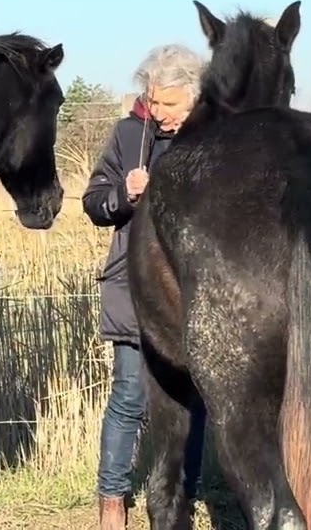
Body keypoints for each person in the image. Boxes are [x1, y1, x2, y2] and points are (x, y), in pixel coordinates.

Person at [82, 43, 208, 529]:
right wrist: (123, 195)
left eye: (169, 104)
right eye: (153, 102)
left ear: (194, 99)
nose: (159, 113)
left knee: (194, 397)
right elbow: (94, 203)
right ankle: (112, 498)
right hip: (133, 289)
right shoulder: (127, 134)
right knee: (130, 394)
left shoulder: (212, 139)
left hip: (196, 295)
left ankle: (185, 491)